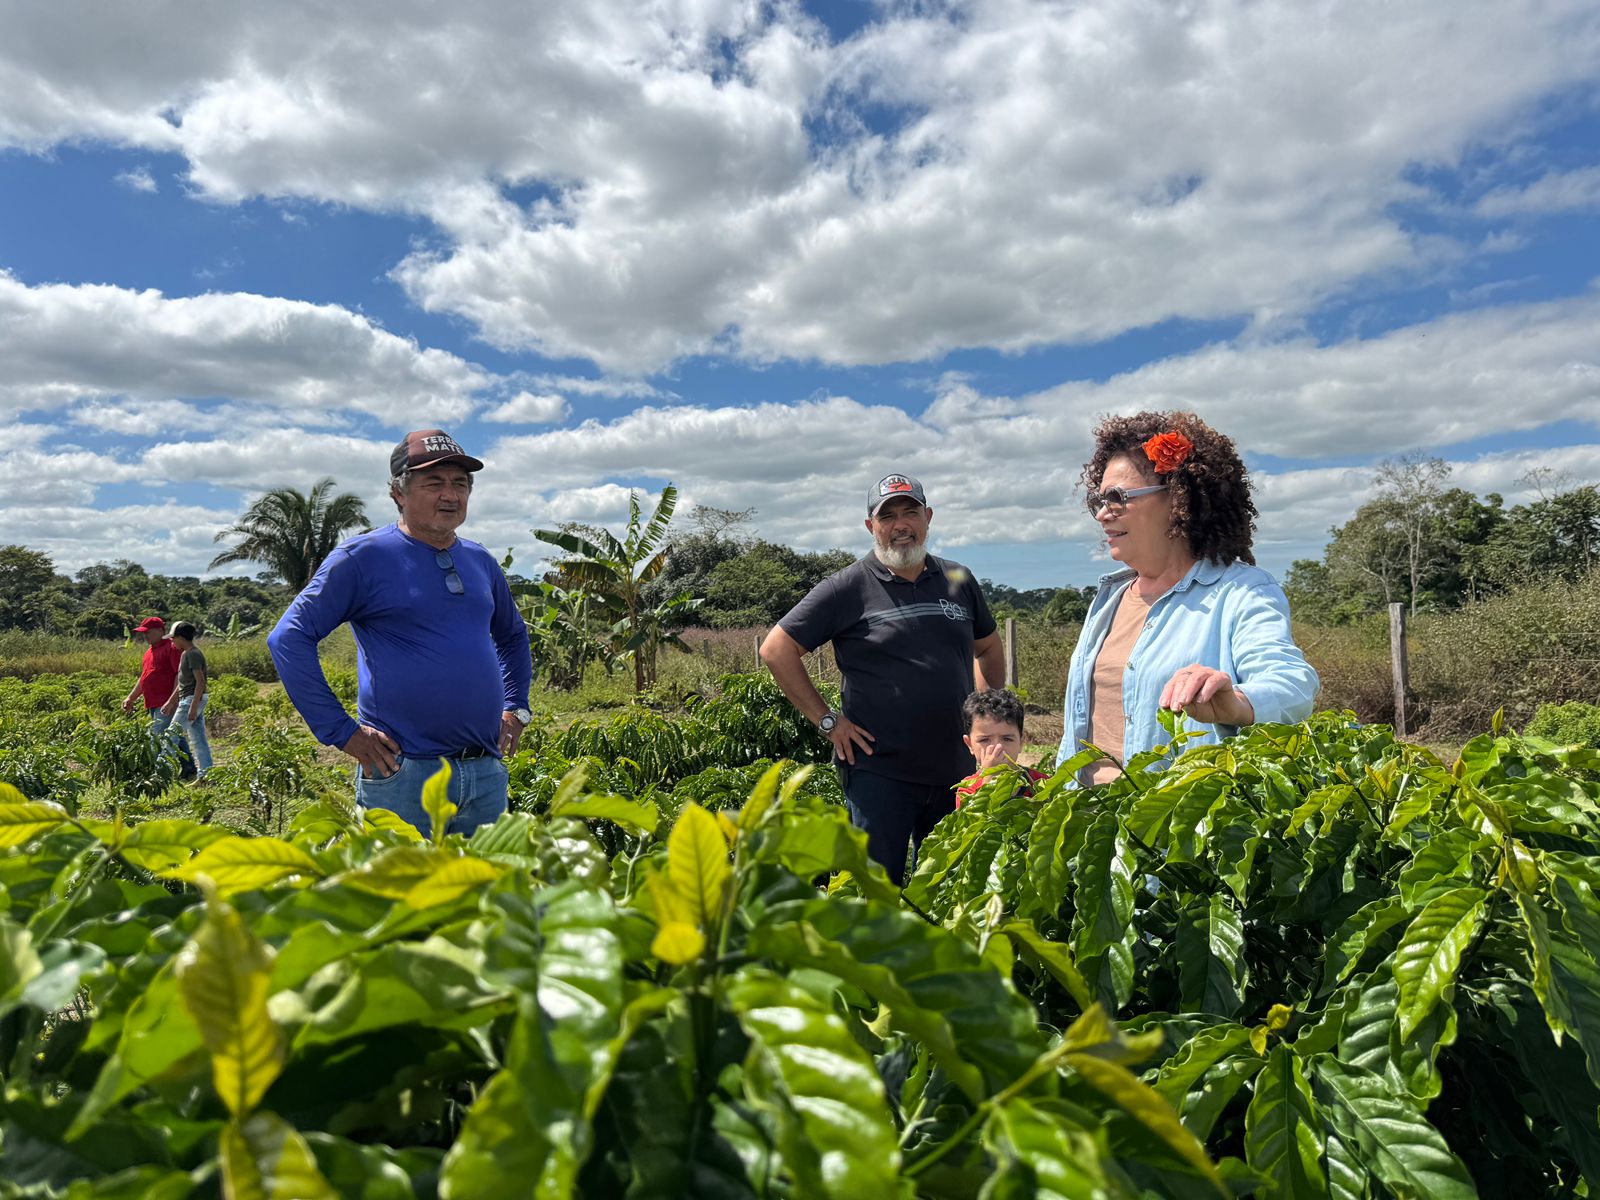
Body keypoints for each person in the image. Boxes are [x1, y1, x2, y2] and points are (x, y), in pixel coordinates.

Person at [267, 429, 533, 837]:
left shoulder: (480, 560)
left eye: (460, 483)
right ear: (398, 493)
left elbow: (512, 637)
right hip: (403, 774)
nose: (450, 495)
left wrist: (516, 707)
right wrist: (342, 732)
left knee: (486, 880)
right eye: (434, 483)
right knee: (397, 880)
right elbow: (288, 638)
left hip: (484, 772)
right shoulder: (363, 558)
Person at [761, 472, 1006, 885]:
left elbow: (989, 648)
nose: (900, 525)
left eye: (910, 513)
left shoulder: (958, 579)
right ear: (870, 526)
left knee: (949, 890)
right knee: (877, 893)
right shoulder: (846, 587)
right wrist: (828, 721)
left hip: (956, 768)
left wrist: (987, 724)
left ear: (928, 518)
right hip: (879, 774)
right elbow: (776, 649)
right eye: (887, 516)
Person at [1059, 411, 1319, 784]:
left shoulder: (1241, 591)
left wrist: (1239, 703)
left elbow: (1292, 684)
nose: (1102, 514)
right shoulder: (1109, 599)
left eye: (1117, 497)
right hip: (1085, 814)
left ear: (1178, 499)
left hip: (1172, 817)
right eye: (1098, 500)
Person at [121, 616, 194, 775]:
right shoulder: (149, 652)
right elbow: (144, 678)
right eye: (143, 632)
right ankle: (188, 767)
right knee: (174, 735)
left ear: (161, 631)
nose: (145, 635)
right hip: (153, 702)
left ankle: (157, 773)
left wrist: (173, 700)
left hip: (166, 702)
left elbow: (179, 675)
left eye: (148, 632)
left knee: (156, 737)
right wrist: (131, 697)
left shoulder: (172, 648)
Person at [955, 688, 1050, 806]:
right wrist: (990, 778)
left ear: (1021, 742)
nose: (997, 748)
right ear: (969, 745)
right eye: (984, 740)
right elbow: (976, 816)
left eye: (1007, 739)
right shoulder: (967, 791)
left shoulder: (1042, 784)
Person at [161, 621, 212, 783]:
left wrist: (193, 706)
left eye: (173, 638)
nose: (171, 641)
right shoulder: (185, 654)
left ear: (181, 638)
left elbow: (200, 682)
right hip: (189, 699)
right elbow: (183, 683)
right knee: (198, 738)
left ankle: (160, 775)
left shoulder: (193, 654)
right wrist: (170, 701)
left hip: (191, 699)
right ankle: (206, 775)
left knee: (171, 736)